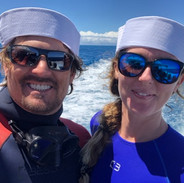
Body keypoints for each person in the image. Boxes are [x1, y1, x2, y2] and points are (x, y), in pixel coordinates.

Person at [80, 16, 184, 183]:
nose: (146, 78)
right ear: (116, 69)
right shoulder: (100, 123)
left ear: (179, 81)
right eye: (134, 64)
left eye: (166, 70)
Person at [0, 7, 91, 183]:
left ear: (72, 74)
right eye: (25, 56)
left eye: (58, 60)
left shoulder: (82, 139)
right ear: (6, 65)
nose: (41, 70)